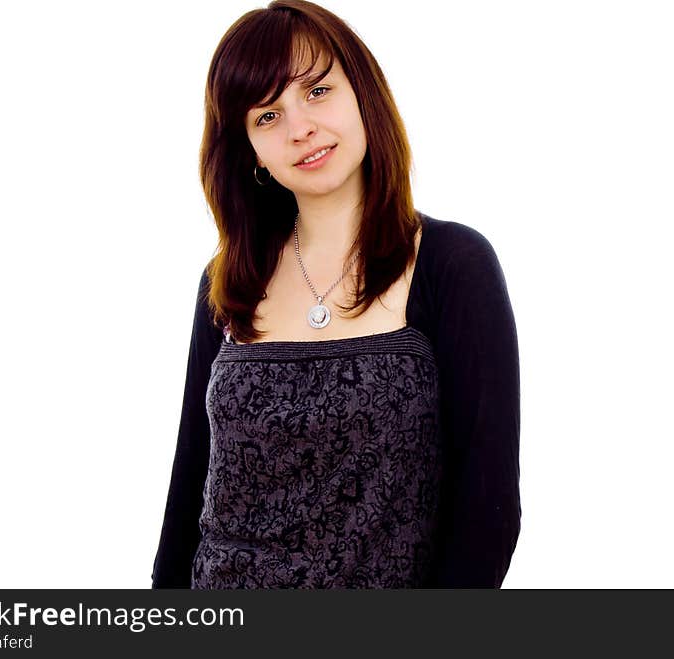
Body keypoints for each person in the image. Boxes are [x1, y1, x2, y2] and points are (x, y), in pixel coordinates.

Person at [151, 0, 520, 589]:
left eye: (317, 92)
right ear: (250, 151)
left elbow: (488, 510)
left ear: (363, 93)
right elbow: (188, 485)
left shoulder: (453, 265)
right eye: (266, 116)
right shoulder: (226, 282)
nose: (299, 127)